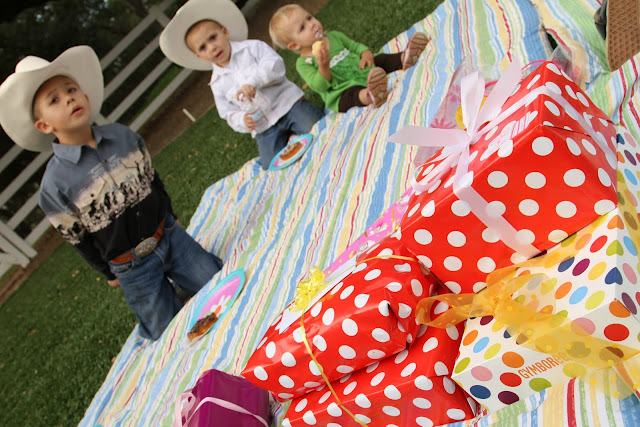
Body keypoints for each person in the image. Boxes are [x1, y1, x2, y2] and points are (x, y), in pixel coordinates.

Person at [0, 45, 224, 341]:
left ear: (85, 96)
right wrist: (108, 272)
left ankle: (184, 276)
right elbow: (78, 238)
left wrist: (171, 216)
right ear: (44, 125)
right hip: (131, 266)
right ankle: (165, 295)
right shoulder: (54, 185)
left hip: (168, 235)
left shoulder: (123, 136)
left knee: (217, 281)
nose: (68, 98)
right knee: (167, 332)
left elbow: (152, 180)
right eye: (54, 100)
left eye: (71, 90)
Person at [159, 0, 324, 170]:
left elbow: (275, 65)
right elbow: (228, 112)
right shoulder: (217, 83)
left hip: (288, 105)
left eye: (213, 38)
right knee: (271, 166)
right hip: (265, 127)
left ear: (224, 31)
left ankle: (301, 132)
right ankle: (291, 141)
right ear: (199, 56)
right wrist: (242, 121)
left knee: (316, 127)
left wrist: (254, 82)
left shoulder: (252, 48)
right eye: (203, 47)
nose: (212, 48)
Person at [269, 4, 429, 113]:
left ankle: (404, 57)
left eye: (309, 18)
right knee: (350, 96)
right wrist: (323, 66)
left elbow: (354, 46)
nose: (312, 24)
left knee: (379, 59)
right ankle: (371, 95)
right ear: (294, 45)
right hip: (342, 89)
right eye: (302, 28)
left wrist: (365, 53)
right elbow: (320, 87)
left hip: (361, 69)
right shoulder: (303, 63)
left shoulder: (333, 36)